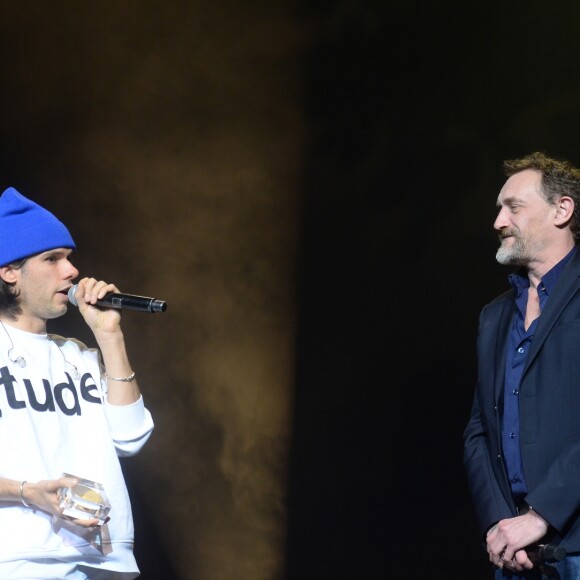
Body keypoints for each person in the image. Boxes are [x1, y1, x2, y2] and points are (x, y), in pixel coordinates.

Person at [0, 187, 154, 579]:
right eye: (52, 259)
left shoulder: (78, 354)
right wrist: (26, 491)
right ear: (9, 272)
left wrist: (110, 336)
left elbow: (131, 437)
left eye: (69, 258)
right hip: (24, 560)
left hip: (106, 559)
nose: (71, 272)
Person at [463, 152, 580, 579]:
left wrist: (541, 515)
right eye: (498, 208)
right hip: (516, 555)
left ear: (561, 209)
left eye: (513, 207)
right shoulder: (494, 317)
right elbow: (479, 430)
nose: (498, 221)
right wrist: (499, 523)